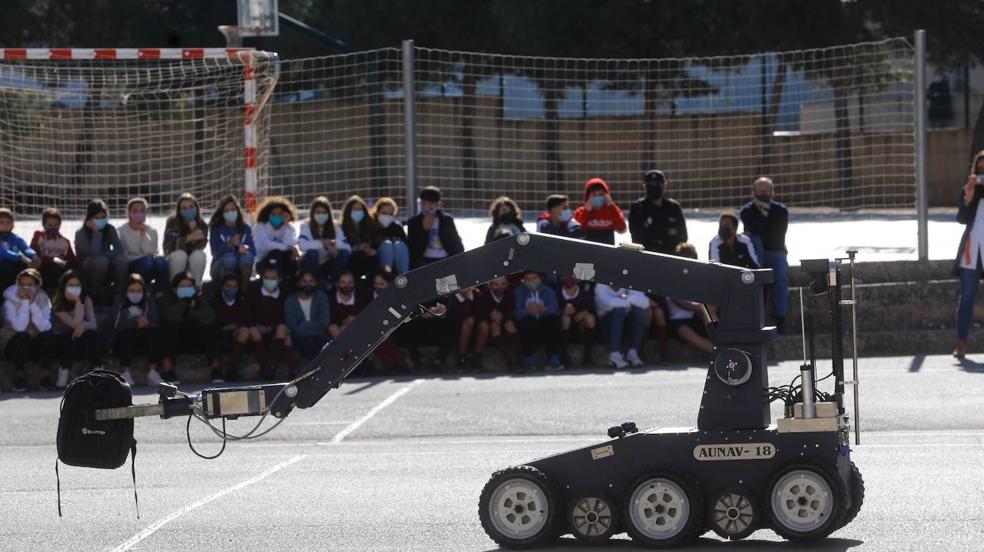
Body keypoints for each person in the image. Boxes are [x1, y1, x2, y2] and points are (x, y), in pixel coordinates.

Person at [740, 176, 789, 332]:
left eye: (766, 191)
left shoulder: (781, 211)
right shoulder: (747, 211)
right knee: (754, 240)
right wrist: (762, 214)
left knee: (781, 277)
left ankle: (780, 317)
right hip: (755, 255)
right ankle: (754, 318)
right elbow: (755, 230)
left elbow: (776, 235)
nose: (763, 194)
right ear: (753, 193)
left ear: (772, 192)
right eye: (760, 191)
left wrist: (765, 211)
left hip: (775, 251)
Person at [157, 272, 219, 384]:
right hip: (176, 340)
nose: (186, 289)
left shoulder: (199, 299)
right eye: (182, 286)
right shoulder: (167, 299)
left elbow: (210, 316)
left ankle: (216, 369)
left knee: (210, 328)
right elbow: (171, 316)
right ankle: (168, 369)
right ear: (175, 289)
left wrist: (192, 310)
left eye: (189, 286)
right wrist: (183, 303)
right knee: (167, 328)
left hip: (196, 339)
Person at [953, 150, 984, 358]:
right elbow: (961, 218)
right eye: (980, 168)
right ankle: (962, 342)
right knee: (967, 297)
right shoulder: (970, 190)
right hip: (972, 251)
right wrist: (968, 197)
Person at [1, 268, 52, 391]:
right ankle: (19, 376)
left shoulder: (43, 298)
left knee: (48, 336)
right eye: (22, 285)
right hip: (12, 344)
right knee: (22, 337)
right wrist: (25, 302)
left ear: (37, 285)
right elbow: (20, 327)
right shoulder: (9, 301)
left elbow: (44, 326)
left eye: (30, 285)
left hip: (33, 344)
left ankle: (45, 377)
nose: (26, 288)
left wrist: (33, 304)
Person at [49, 271, 104, 380]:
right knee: (72, 336)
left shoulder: (87, 299)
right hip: (62, 339)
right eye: (70, 285)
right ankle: (63, 371)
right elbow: (73, 324)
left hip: (81, 338)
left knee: (92, 335)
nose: (74, 288)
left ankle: (98, 368)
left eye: (77, 285)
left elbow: (93, 324)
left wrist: (82, 326)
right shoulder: (58, 303)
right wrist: (78, 302)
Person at [214, 273, 265, 383]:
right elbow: (215, 324)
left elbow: (247, 320)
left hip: (242, 336)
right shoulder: (215, 302)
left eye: (234, 287)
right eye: (228, 286)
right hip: (223, 338)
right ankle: (232, 371)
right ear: (222, 287)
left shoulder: (242, 301)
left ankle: (264, 367)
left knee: (252, 331)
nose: (231, 289)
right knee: (244, 331)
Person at [74, 199, 129, 302]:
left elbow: (119, 249)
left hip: (107, 266)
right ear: (89, 218)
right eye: (96, 218)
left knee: (121, 260)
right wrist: (96, 232)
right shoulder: (80, 233)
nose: (100, 220)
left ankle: (119, 294)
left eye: (103, 217)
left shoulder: (110, 229)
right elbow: (93, 254)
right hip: (89, 271)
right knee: (100, 262)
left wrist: (105, 256)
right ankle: (93, 294)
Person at [248, 263, 295, 380]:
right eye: (267, 278)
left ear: (279, 279)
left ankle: (274, 366)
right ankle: (264, 367)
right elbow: (247, 313)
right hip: (258, 329)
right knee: (253, 331)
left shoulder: (285, 294)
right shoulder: (253, 292)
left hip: (276, 329)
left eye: (273, 278)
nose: (270, 281)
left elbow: (287, 316)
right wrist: (256, 325)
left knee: (283, 331)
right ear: (262, 278)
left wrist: (272, 327)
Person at [112, 274, 160, 387]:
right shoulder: (119, 300)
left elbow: (155, 320)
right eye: (132, 290)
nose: (135, 293)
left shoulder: (148, 300)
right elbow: (116, 322)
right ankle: (125, 372)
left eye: (139, 290)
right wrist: (135, 322)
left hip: (143, 339)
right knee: (125, 335)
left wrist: (147, 322)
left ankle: (152, 372)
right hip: (125, 339)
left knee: (155, 333)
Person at [667, 243, 714, 354]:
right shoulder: (671, 279)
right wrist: (700, 307)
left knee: (710, 312)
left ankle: (723, 344)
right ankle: (719, 353)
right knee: (685, 331)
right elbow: (679, 302)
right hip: (677, 321)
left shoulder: (699, 277)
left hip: (696, 317)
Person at [628, 169, 688, 254]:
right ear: (644, 186)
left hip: (671, 256)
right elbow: (636, 237)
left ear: (664, 185)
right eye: (650, 184)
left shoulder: (674, 207)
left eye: (658, 184)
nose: (654, 187)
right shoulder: (637, 208)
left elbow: (683, 237)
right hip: (646, 255)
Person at [118, 197, 169, 294]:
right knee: (147, 261)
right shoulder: (121, 231)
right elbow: (123, 254)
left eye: (142, 211)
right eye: (135, 211)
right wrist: (143, 257)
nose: (139, 214)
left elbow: (151, 251)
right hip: (132, 266)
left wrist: (143, 235)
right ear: (129, 213)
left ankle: (160, 293)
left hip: (148, 263)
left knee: (161, 261)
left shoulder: (152, 231)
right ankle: (139, 289)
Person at [513, 270, 563, 371]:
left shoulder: (548, 291)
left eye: (534, 278)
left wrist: (544, 309)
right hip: (529, 324)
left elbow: (556, 310)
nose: (531, 281)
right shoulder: (519, 291)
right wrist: (527, 311)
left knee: (554, 321)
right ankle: (528, 359)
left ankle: (553, 358)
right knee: (525, 323)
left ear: (540, 279)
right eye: (527, 279)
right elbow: (516, 312)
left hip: (544, 321)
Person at [298, 196, 350, 286]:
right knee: (312, 252)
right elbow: (302, 245)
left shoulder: (336, 226)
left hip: (326, 263)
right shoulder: (306, 225)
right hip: (309, 262)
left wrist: (335, 245)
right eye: (318, 212)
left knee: (344, 253)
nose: (321, 215)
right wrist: (321, 243)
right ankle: (312, 282)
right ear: (312, 213)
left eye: (324, 212)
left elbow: (347, 247)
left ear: (329, 214)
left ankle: (332, 282)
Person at [408, 186, 464, 268]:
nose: (427, 207)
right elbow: (413, 251)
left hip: (445, 260)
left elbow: (457, 246)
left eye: (431, 204)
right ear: (420, 204)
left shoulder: (447, 220)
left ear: (438, 204)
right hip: (424, 262)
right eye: (424, 203)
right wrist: (424, 230)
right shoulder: (414, 222)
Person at [594, 283, 649, 369]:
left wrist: (627, 297)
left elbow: (645, 302)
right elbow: (611, 303)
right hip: (605, 328)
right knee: (619, 311)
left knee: (640, 312)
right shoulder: (600, 286)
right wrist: (631, 301)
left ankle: (633, 353)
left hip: (623, 327)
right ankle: (614, 355)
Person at [208, 194, 256, 285]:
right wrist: (229, 244)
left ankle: (243, 292)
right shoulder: (216, 229)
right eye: (227, 211)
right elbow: (215, 253)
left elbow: (253, 250)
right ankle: (224, 289)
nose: (230, 213)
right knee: (229, 258)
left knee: (247, 257)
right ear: (222, 213)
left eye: (233, 210)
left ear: (238, 211)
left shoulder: (246, 229)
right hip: (220, 267)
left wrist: (245, 249)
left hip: (240, 264)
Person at [474, 276, 520, 370]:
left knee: (509, 324)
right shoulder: (484, 297)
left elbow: (511, 311)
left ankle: (519, 359)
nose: (500, 287)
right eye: (496, 284)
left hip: (505, 327)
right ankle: (476, 359)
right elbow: (480, 315)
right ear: (490, 285)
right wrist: (492, 317)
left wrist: (501, 316)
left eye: (503, 284)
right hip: (489, 329)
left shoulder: (509, 295)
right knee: (488, 326)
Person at [285, 270, 331, 362]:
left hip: (319, 335)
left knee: (328, 344)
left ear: (316, 283)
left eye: (311, 281)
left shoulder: (321, 297)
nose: (308, 284)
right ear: (298, 283)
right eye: (304, 282)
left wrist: (303, 325)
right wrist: (315, 327)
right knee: (309, 345)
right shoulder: (290, 301)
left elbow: (325, 322)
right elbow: (293, 327)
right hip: (300, 337)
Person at [163, 193, 208, 286]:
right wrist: (189, 237)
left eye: (191, 207)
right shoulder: (172, 221)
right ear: (179, 210)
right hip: (176, 261)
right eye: (184, 208)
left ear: (196, 208)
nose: (188, 210)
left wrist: (194, 229)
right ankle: (174, 289)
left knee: (199, 255)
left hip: (192, 261)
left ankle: (196, 289)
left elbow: (201, 245)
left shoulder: (202, 224)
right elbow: (169, 246)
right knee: (179, 255)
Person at [253, 196, 300, 283]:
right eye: (273, 214)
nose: (276, 216)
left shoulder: (289, 227)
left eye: (279, 214)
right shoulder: (260, 226)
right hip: (263, 262)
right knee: (276, 253)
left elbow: (290, 243)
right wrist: (287, 247)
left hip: (282, 263)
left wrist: (286, 225)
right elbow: (265, 245)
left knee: (290, 256)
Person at [30, 207, 75, 291]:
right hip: (43, 270)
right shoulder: (39, 237)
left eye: (56, 225)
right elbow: (35, 257)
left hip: (60, 271)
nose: (53, 228)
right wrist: (52, 259)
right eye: (49, 225)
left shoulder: (64, 242)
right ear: (44, 225)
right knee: (52, 268)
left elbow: (71, 259)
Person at [369, 271, 406, 372]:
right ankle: (391, 362)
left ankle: (398, 362)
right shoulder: (369, 295)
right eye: (375, 284)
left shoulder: (395, 296)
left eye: (381, 284)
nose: (378, 287)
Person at [573, 177, 627, 245]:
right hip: (587, 250)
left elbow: (622, 229)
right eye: (594, 195)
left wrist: (611, 207)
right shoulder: (580, 212)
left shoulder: (612, 210)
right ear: (588, 196)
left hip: (607, 250)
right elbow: (577, 233)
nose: (597, 197)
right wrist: (586, 211)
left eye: (601, 194)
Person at [338, 195, 377, 287]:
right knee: (360, 255)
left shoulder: (369, 225)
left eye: (360, 209)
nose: (358, 212)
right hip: (351, 258)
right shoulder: (341, 227)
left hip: (367, 257)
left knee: (373, 258)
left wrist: (371, 250)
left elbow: (375, 241)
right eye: (355, 209)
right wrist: (357, 248)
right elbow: (342, 245)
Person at [557, 277, 596, 365]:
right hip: (563, 330)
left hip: (580, 329)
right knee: (565, 319)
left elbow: (593, 311)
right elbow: (552, 311)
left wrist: (585, 312)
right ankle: (563, 355)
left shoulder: (584, 294)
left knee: (590, 319)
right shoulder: (557, 293)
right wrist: (562, 312)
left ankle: (587, 355)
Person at [0, 208, 39, 292]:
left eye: (8, 222)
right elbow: (3, 252)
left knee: (26, 267)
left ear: (12, 225)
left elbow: (26, 248)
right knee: (7, 265)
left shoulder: (15, 238)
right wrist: (20, 257)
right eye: (1, 222)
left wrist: (34, 255)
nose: (5, 225)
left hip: (14, 268)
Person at [371, 197, 409, 275]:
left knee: (400, 245)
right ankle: (385, 277)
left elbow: (405, 243)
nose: (387, 216)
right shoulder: (371, 226)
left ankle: (404, 277)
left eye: (390, 214)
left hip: (397, 258)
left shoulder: (397, 227)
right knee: (386, 246)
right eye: (384, 213)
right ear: (377, 212)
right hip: (378, 258)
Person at [328, 271, 369, 339]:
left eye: (350, 282)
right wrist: (343, 322)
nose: (347, 286)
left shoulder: (361, 298)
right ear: (337, 284)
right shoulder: (330, 298)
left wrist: (356, 320)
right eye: (343, 282)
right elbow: (327, 320)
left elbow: (367, 318)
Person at [449, 286, 481, 371]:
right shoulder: (453, 297)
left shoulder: (476, 293)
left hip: (474, 326)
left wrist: (473, 318)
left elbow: (481, 313)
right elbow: (460, 315)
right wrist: (467, 299)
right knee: (466, 324)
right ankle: (461, 357)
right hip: (457, 326)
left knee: (484, 326)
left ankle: (477, 358)